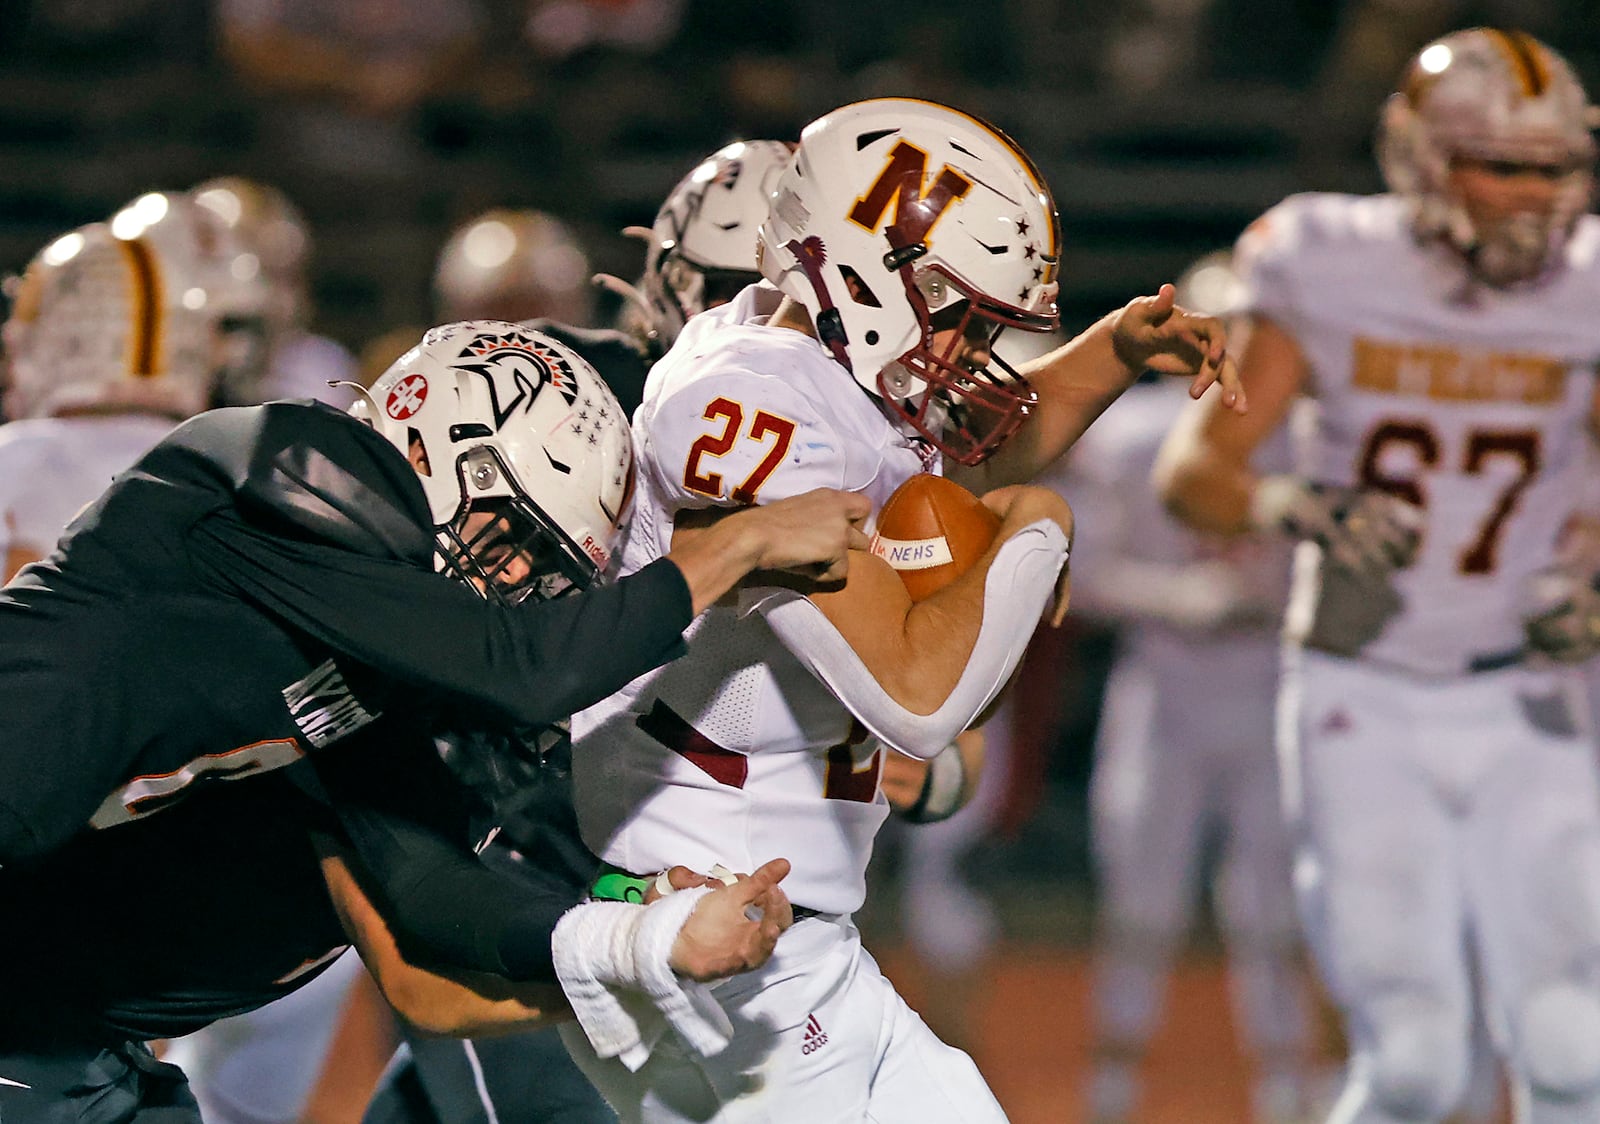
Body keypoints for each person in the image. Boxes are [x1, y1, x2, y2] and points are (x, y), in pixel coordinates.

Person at [0, 314, 871, 1121]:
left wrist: (637, 926)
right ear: (443, 455)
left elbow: (432, 893)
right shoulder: (276, 472)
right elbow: (526, 667)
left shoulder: (347, 665)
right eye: (515, 548)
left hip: (65, 1038)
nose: (521, 592)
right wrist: (738, 543)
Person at [562, 96, 1240, 1121]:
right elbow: (916, 697)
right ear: (871, 275)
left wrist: (1112, 351)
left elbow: (951, 474)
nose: (971, 352)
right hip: (708, 924)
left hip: (776, 932)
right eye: (961, 314)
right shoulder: (741, 404)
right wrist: (1040, 529)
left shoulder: (819, 378)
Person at [1154, 28, 1600, 1124]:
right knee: (1410, 1063)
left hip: (1527, 691)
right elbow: (1193, 471)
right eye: (1504, 164)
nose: (1537, 196)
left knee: (1572, 1045)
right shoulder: (1327, 256)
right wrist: (1292, 504)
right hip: (1367, 688)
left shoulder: (1586, 285)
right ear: (1419, 159)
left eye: (1556, 167)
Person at [360, 140, 799, 1124]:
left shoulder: (814, 445)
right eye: (755, 297)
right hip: (491, 842)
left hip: (607, 856)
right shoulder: (586, 395)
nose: (775, 331)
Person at [1060, 255, 1311, 1124]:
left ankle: (1289, 1091)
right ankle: (1112, 1091)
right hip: (1165, 689)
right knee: (1140, 903)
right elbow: (1080, 578)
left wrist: (1277, 600)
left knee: (1274, 910)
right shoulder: (1133, 436)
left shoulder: (1307, 434)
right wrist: (1177, 597)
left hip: (1272, 688)